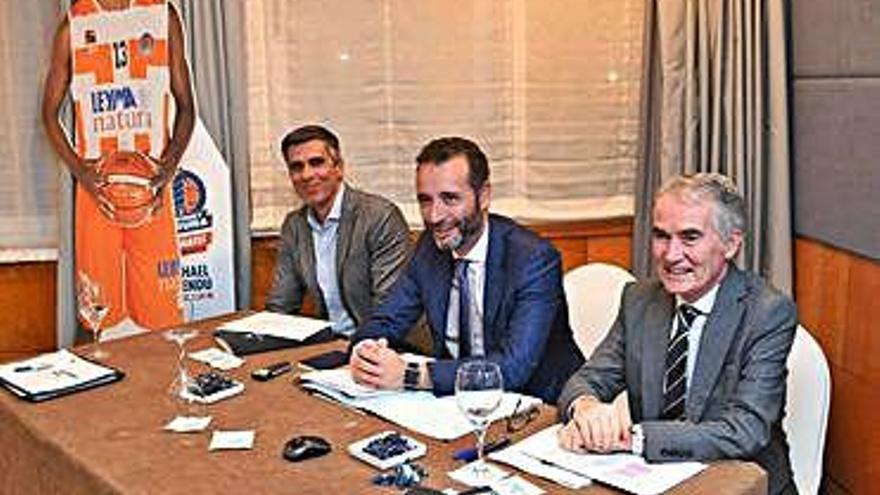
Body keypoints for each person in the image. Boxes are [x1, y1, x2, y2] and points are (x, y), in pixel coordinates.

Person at [557, 173, 797, 494]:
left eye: (690, 237)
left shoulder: (767, 312)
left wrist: (629, 437)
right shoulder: (639, 300)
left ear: (731, 243)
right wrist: (586, 409)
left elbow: (745, 430)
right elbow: (587, 379)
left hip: (741, 483)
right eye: (661, 236)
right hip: (654, 480)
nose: (670, 255)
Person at [349, 137, 583, 403]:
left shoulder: (533, 259)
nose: (434, 216)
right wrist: (365, 353)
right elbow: (387, 320)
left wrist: (412, 375)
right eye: (425, 200)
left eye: (449, 199)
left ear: (483, 196)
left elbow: (513, 367)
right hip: (455, 402)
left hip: (535, 406)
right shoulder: (429, 247)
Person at [42, 0, 195, 331]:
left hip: (150, 187)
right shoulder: (73, 25)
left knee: (162, 313)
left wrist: (167, 170)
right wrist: (81, 171)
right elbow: (48, 114)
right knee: (100, 315)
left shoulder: (161, 15)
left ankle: (159, 379)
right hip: (96, 187)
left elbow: (186, 108)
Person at [265, 125, 410, 337]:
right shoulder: (294, 226)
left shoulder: (380, 216)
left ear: (338, 167)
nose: (306, 175)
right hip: (329, 343)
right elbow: (281, 304)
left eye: (316, 163)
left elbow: (389, 308)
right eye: (296, 167)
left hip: (382, 343)